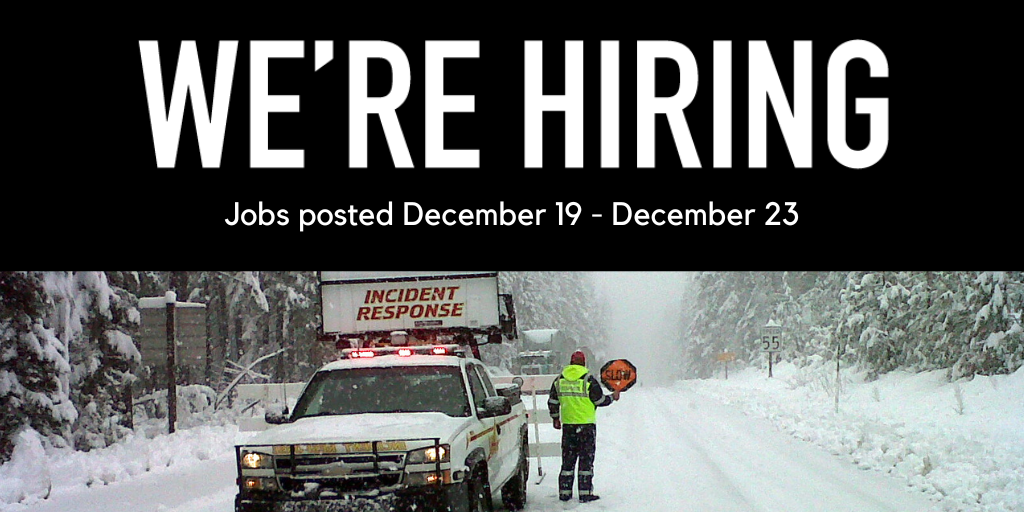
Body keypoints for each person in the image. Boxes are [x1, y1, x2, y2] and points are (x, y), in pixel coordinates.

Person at [548, 350, 620, 503]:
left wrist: (555, 418)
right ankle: (585, 493)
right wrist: (612, 397)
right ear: (584, 363)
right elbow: (600, 400)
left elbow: (553, 401)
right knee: (586, 461)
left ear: (571, 362)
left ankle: (565, 493)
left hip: (568, 427)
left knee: (568, 461)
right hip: (586, 427)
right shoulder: (589, 380)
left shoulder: (559, 380)